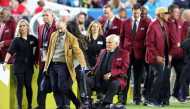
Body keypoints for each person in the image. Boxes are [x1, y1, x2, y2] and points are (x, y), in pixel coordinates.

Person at [43, 20, 87, 109]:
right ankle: (59, 105)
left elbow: (78, 52)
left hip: (63, 65)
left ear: (65, 26)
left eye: (61, 28)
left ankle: (76, 103)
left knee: (62, 86)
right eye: (58, 28)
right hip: (52, 65)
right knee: (54, 87)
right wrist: (45, 67)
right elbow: (49, 52)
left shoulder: (72, 38)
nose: (59, 30)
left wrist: (83, 64)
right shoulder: (53, 35)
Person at [86, 34, 129, 109]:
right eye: (106, 42)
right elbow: (97, 65)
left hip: (114, 79)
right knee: (86, 80)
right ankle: (88, 102)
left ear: (116, 43)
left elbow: (124, 69)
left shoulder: (124, 53)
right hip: (99, 78)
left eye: (110, 43)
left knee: (114, 83)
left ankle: (106, 103)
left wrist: (112, 73)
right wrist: (92, 71)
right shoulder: (102, 51)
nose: (107, 44)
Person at [4, 19, 38, 109]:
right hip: (18, 66)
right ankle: (19, 106)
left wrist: (36, 60)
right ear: (18, 28)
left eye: (24, 26)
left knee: (28, 85)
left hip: (29, 67)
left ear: (27, 27)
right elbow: (10, 52)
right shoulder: (16, 40)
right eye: (20, 26)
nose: (22, 28)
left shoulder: (33, 39)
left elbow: (37, 51)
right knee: (20, 85)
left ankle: (30, 105)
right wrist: (5, 62)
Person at [122, 4, 151, 105]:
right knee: (125, 77)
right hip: (127, 54)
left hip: (140, 54)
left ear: (140, 11)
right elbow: (122, 38)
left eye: (137, 11)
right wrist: (121, 53)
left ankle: (137, 98)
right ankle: (123, 98)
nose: (136, 12)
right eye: (134, 11)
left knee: (138, 78)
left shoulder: (146, 22)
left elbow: (148, 39)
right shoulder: (125, 22)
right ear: (132, 10)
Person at [145, 7, 172, 106]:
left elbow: (166, 42)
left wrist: (169, 54)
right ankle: (152, 100)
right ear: (160, 14)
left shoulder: (164, 25)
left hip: (163, 56)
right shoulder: (153, 25)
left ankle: (157, 99)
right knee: (159, 77)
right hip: (155, 57)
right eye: (166, 13)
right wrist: (156, 56)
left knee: (162, 78)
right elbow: (149, 43)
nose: (168, 15)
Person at [36, 9, 59, 109]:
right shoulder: (40, 27)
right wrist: (37, 59)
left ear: (52, 16)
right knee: (40, 84)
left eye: (47, 15)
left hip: (54, 63)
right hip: (43, 61)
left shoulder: (57, 27)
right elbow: (39, 45)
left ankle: (61, 106)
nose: (45, 17)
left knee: (55, 86)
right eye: (43, 15)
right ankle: (41, 106)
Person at [167, 4, 185, 101]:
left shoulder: (180, 23)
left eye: (178, 12)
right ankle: (165, 96)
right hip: (168, 55)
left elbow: (182, 37)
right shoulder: (165, 23)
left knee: (182, 73)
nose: (178, 14)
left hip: (178, 54)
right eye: (176, 12)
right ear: (170, 12)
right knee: (165, 76)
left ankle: (175, 93)